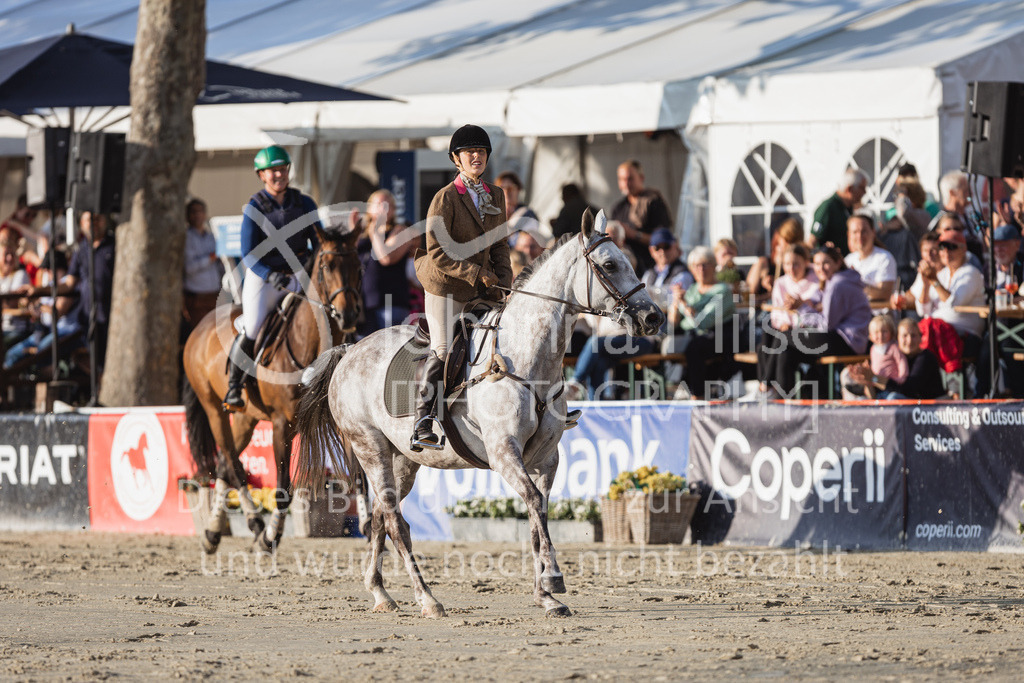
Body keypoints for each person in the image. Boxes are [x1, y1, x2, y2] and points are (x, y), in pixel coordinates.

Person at [411, 124, 513, 450]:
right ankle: (423, 420)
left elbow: (499, 246)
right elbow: (438, 252)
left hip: (480, 285)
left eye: (481, 151)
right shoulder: (445, 199)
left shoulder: (495, 195)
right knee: (443, 349)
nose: (476, 156)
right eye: (470, 152)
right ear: (457, 158)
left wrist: (506, 284)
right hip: (445, 285)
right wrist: (477, 273)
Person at [223, 145, 322, 412]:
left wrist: (308, 268)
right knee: (253, 326)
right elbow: (248, 253)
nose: (279, 174)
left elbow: (319, 242)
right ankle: (234, 385)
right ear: (262, 175)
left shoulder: (304, 203)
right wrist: (270, 275)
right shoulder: (254, 208)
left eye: (282, 169)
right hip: (264, 278)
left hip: (299, 275)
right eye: (273, 171)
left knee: (325, 316)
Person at [757, 244, 871, 398]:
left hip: (846, 341)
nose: (820, 268)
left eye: (826, 263)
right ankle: (784, 401)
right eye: (817, 264)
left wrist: (802, 307)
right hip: (842, 338)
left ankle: (766, 387)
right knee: (787, 351)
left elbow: (825, 324)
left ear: (837, 263)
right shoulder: (836, 280)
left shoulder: (838, 283)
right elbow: (818, 299)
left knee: (784, 336)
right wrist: (802, 303)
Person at [7, 211, 115, 372]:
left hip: (101, 317)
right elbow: (68, 284)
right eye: (88, 220)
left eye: (97, 218)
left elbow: (59, 309)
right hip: (89, 319)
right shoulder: (82, 250)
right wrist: (38, 291)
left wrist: (40, 305)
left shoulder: (113, 246)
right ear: (82, 223)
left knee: (43, 352)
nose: (92, 223)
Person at [664, 246, 736, 399]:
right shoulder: (692, 290)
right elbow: (673, 324)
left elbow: (703, 322)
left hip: (720, 338)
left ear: (714, 265)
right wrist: (676, 303)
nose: (701, 269)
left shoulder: (722, 290)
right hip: (692, 337)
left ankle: (697, 395)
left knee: (695, 348)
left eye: (706, 264)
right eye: (696, 265)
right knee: (661, 345)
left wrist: (684, 304)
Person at [354, 189, 417, 336]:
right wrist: (354, 231)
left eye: (388, 205)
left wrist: (376, 229)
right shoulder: (364, 235)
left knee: (390, 352)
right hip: (365, 306)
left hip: (391, 304)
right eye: (379, 204)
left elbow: (386, 257)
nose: (383, 208)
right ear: (369, 208)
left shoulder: (401, 231)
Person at [917, 221, 985, 356]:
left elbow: (954, 303)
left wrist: (933, 280)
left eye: (952, 246)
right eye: (942, 247)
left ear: (964, 249)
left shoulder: (971, 272)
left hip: (964, 336)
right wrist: (925, 284)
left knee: (922, 350)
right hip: (938, 334)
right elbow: (922, 310)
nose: (946, 251)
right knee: (910, 339)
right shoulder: (942, 274)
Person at [846, 318, 944, 400]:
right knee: (861, 400)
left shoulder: (925, 357)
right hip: (904, 402)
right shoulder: (892, 358)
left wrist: (874, 378)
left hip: (927, 409)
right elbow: (877, 389)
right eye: (904, 336)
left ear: (920, 337)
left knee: (893, 398)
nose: (909, 340)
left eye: (913, 336)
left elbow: (908, 390)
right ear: (897, 338)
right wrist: (866, 380)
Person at [609, 159, 673, 274]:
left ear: (641, 178)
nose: (626, 183)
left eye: (630, 179)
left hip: (650, 269)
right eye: (622, 179)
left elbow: (663, 240)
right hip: (625, 269)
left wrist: (633, 234)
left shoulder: (653, 202)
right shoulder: (618, 208)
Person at [182, 198, 224, 334]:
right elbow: (189, 268)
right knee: (201, 336)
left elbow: (219, 265)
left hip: (215, 295)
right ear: (187, 216)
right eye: (193, 212)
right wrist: (210, 258)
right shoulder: (186, 238)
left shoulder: (212, 237)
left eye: (200, 212)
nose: (197, 215)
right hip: (197, 298)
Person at [840, 315, 907, 399]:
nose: (880, 335)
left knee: (891, 397)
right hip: (876, 384)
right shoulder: (873, 349)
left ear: (891, 332)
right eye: (876, 332)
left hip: (890, 385)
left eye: (884, 331)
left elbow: (901, 362)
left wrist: (901, 378)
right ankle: (862, 388)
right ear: (871, 336)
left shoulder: (894, 347)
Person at [808, 169, 867, 255]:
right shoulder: (828, 207)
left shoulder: (849, 208)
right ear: (850, 189)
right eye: (862, 188)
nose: (864, 192)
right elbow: (812, 242)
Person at [929, 170, 983, 262]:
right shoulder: (941, 219)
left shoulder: (968, 216)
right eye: (966, 191)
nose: (971, 194)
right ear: (952, 193)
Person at [768, 244, 822, 332]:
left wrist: (801, 304)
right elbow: (776, 313)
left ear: (806, 262)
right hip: (788, 332)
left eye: (796, 264)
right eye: (787, 264)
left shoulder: (818, 279)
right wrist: (783, 324)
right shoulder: (780, 283)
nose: (791, 269)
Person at [844, 213, 897, 302]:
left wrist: (858, 282)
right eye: (855, 232)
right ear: (849, 235)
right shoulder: (848, 260)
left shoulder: (885, 258)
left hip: (879, 314)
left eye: (863, 231)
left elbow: (885, 294)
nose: (859, 236)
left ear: (873, 232)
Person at [894, 231, 941, 320]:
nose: (929, 255)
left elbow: (923, 310)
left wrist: (930, 282)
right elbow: (912, 294)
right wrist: (900, 299)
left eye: (933, 250)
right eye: (925, 250)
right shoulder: (923, 273)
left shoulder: (948, 271)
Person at [641, 228, 692, 304]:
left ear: (675, 246)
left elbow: (673, 300)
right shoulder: (648, 274)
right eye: (657, 248)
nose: (662, 252)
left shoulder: (683, 273)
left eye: (666, 247)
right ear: (651, 251)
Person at [1, 226, 31, 349]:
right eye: (6, 254)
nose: (10, 258)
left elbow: (11, 302)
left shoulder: (20, 274)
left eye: (12, 254)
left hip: (15, 330)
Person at [495, 171, 540, 235]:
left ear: (518, 190)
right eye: (501, 189)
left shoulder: (527, 214)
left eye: (510, 188)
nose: (506, 193)